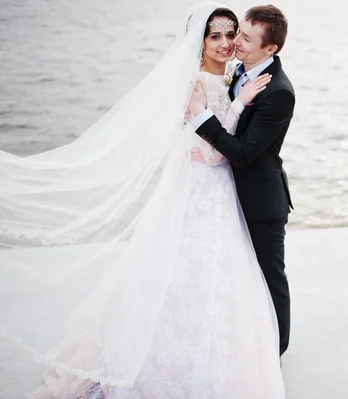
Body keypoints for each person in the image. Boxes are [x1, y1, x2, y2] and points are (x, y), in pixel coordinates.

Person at [0, 2, 285, 398]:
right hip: (200, 188)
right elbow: (214, 152)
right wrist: (239, 104)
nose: (226, 43)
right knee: (183, 272)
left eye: (231, 34)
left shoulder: (235, 75)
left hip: (223, 193)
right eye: (215, 35)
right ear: (199, 41)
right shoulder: (195, 84)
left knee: (225, 276)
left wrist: (239, 96)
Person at [188, 4, 295, 357]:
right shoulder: (237, 72)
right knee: (233, 276)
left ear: (270, 49)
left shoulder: (278, 91)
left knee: (269, 279)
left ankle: (275, 353)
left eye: (245, 38)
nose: (235, 43)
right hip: (225, 194)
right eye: (237, 33)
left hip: (261, 202)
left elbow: (245, 152)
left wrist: (203, 117)